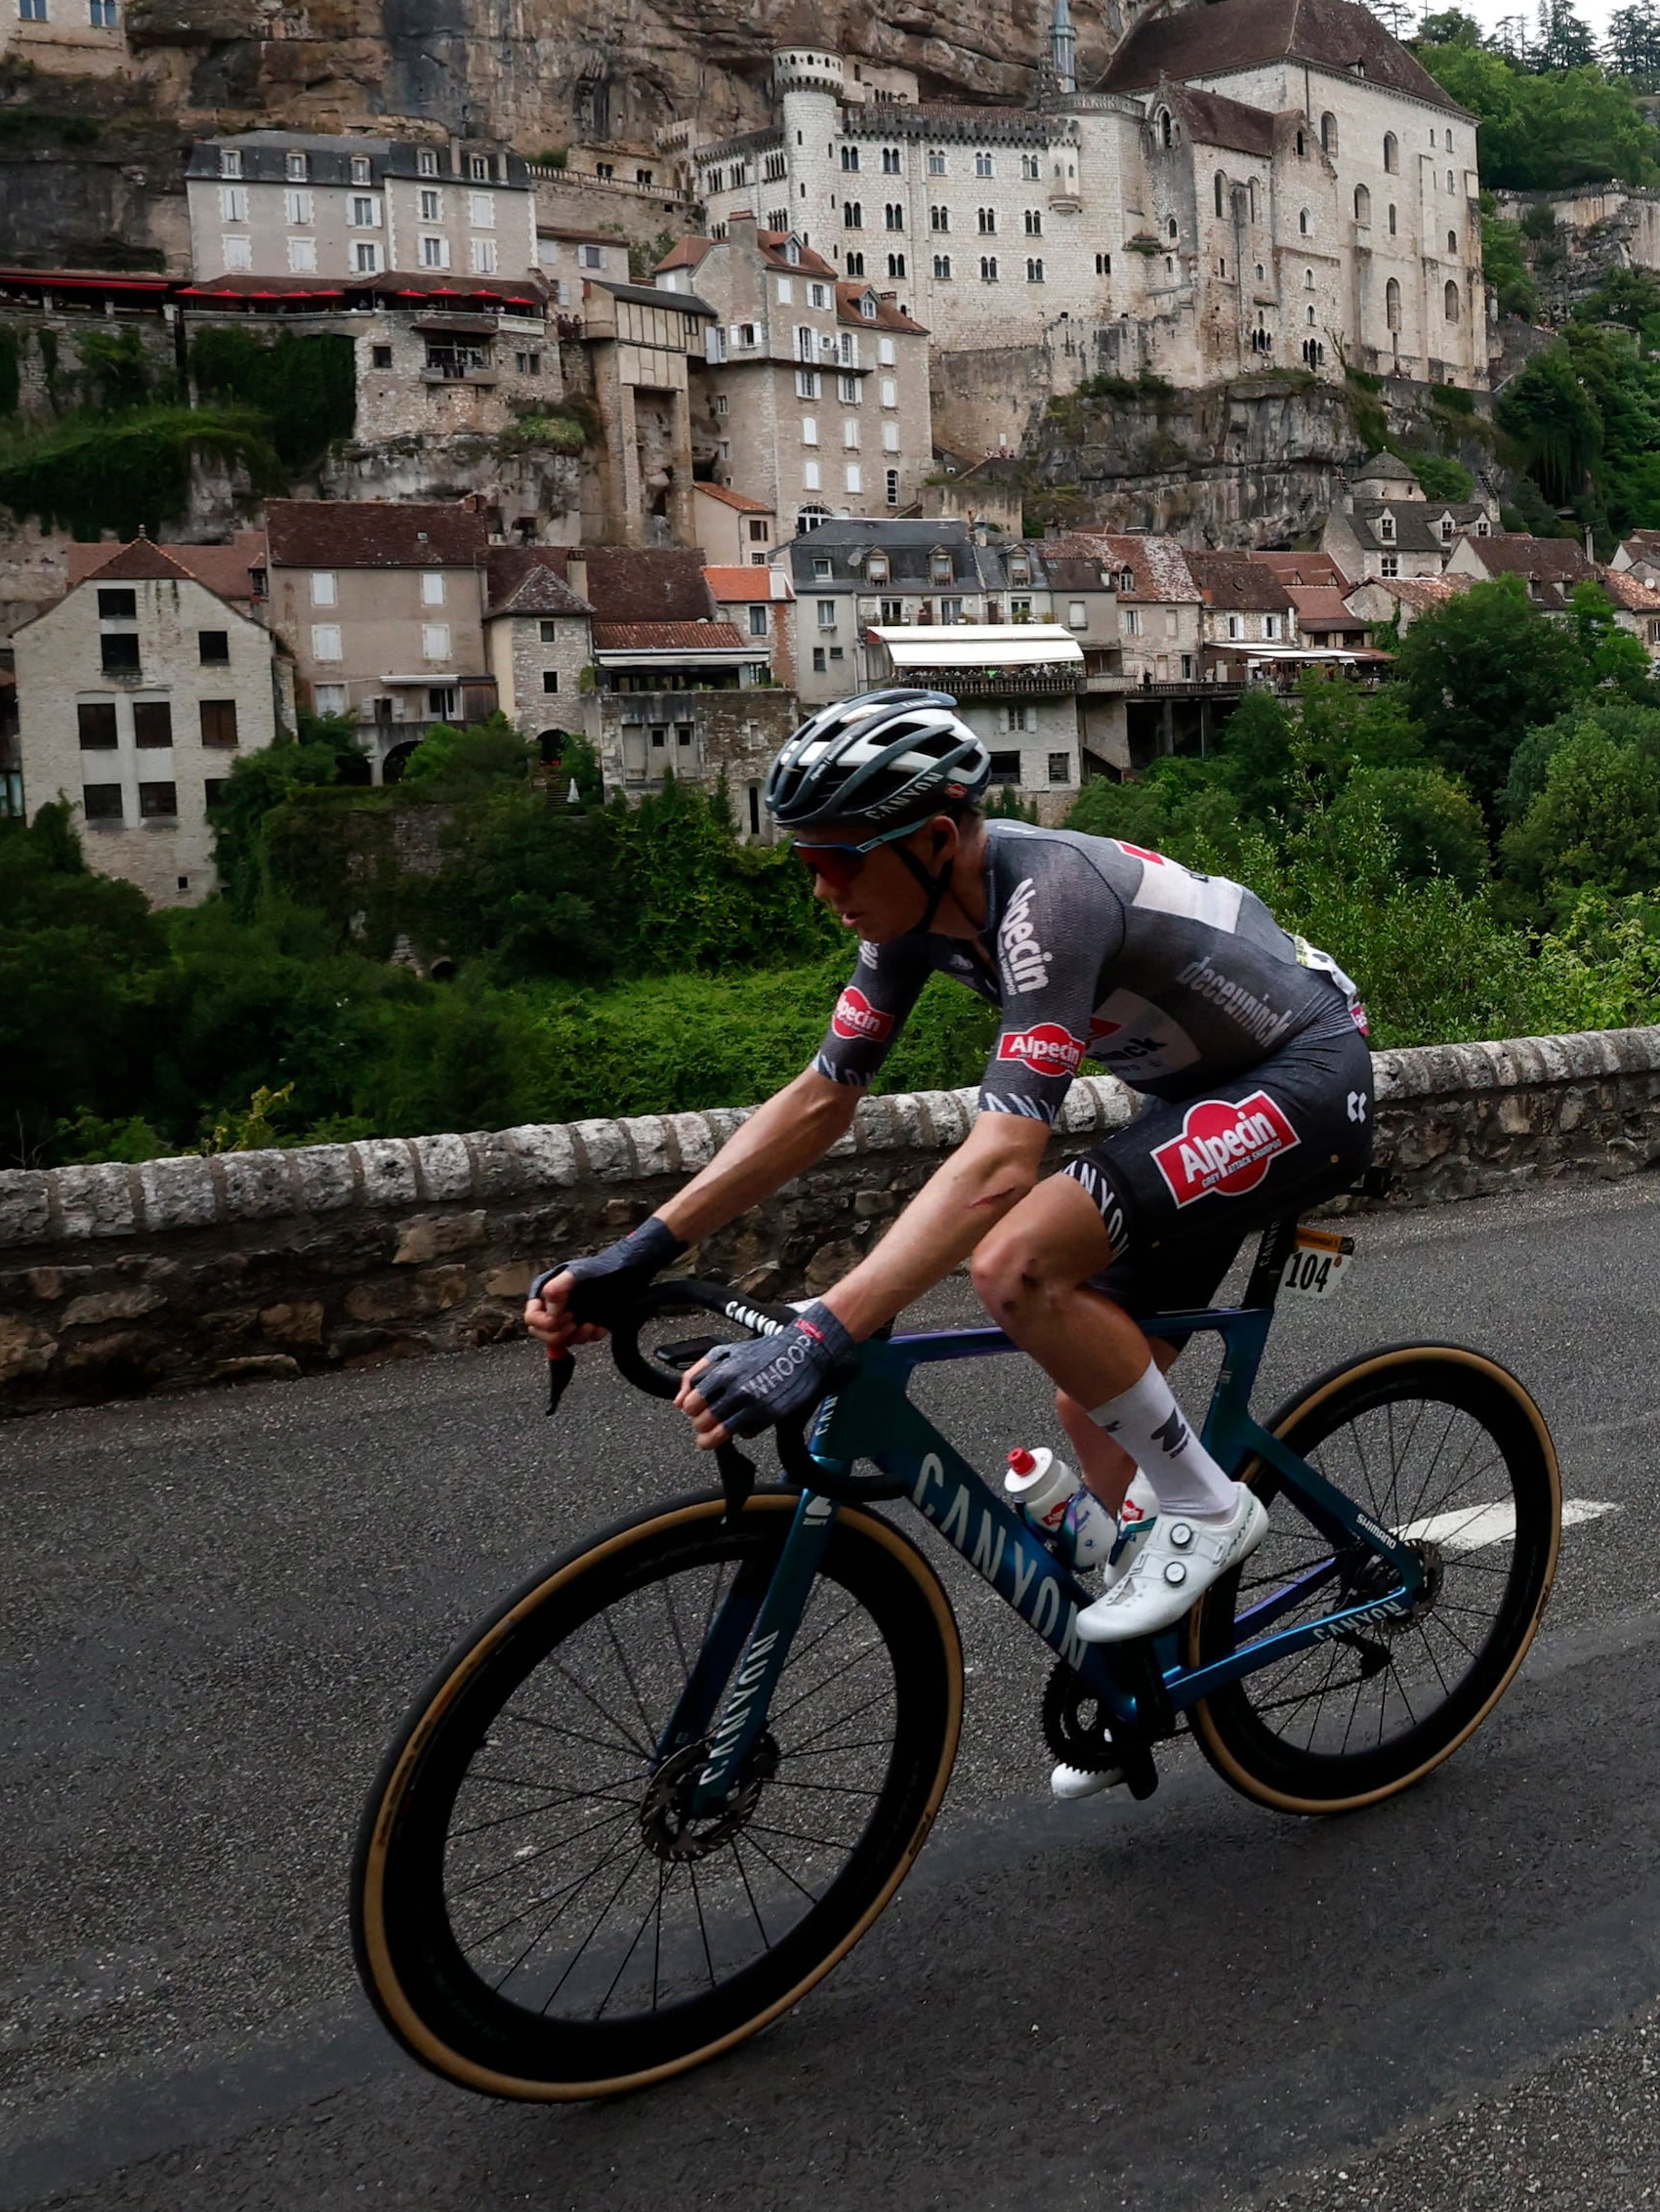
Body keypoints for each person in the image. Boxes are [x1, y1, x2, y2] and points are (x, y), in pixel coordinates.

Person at [520, 689, 1378, 1721]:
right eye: (805, 861)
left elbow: (1000, 1165)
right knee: (1088, 1387)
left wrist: (825, 1329)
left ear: (932, 839)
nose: (821, 887)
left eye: (838, 859)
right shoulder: (915, 914)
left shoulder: (1047, 898)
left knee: (1015, 1264)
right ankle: (1161, 1662)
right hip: (1196, 1094)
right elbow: (817, 1101)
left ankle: (1204, 1506)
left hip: (1308, 1073)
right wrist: (639, 1251)